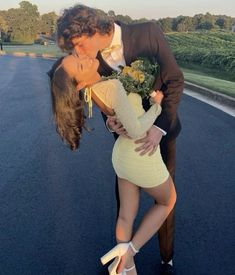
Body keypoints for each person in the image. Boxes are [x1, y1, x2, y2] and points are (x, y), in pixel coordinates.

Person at [56, 4, 184, 274]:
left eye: (79, 45)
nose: (78, 52)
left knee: (161, 202)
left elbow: (174, 79)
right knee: (133, 204)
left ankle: (166, 258)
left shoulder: (148, 32)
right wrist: (112, 123)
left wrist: (159, 128)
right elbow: (102, 102)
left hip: (162, 133)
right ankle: (127, 263)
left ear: (93, 30)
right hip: (127, 142)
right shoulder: (93, 63)